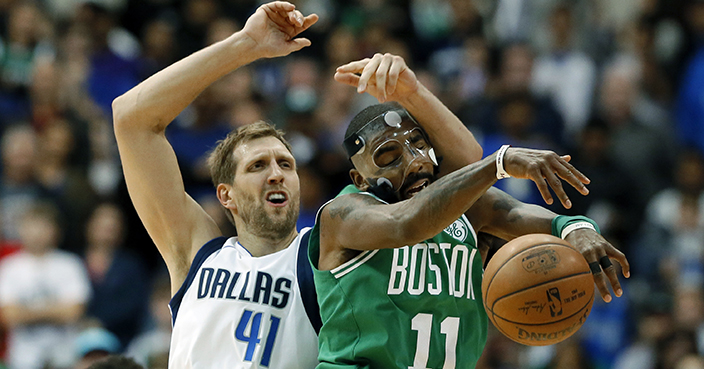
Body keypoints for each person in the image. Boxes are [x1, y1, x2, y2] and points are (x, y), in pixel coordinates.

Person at [308, 53, 630, 369]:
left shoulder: (465, 208)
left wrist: (577, 229)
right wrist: (499, 162)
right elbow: (405, 224)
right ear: (359, 178)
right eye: (389, 156)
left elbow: (527, 216)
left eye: (419, 145)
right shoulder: (343, 214)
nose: (415, 160)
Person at [111, 2, 321, 367]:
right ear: (226, 195)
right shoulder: (197, 252)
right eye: (257, 165)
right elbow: (131, 118)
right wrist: (245, 45)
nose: (276, 173)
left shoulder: (322, 258)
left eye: (286, 164)